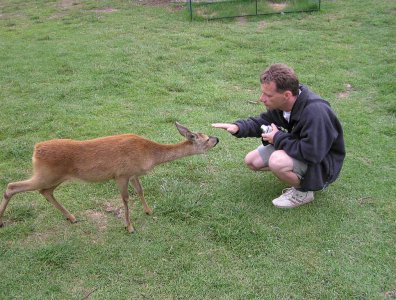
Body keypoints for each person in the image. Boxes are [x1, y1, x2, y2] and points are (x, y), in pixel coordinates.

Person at [212, 63, 345, 208]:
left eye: (268, 95)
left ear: (287, 95)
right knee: (252, 161)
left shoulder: (316, 113)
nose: (262, 98)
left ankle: (304, 191)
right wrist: (238, 127)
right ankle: (292, 172)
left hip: (323, 165)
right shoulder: (285, 105)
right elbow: (263, 121)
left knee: (277, 161)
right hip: (302, 149)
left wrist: (277, 138)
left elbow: (313, 154)